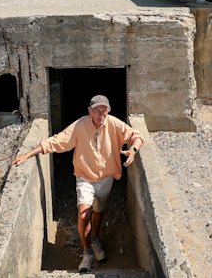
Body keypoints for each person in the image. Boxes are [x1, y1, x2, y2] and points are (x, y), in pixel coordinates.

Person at [11, 95, 144, 273]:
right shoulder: (80, 125)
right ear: (89, 111)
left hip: (106, 178)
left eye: (104, 110)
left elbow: (137, 136)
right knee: (83, 214)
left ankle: (95, 240)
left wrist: (133, 150)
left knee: (98, 210)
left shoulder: (113, 124)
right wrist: (27, 154)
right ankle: (87, 252)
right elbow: (57, 141)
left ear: (108, 111)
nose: (101, 114)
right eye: (97, 110)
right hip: (85, 177)